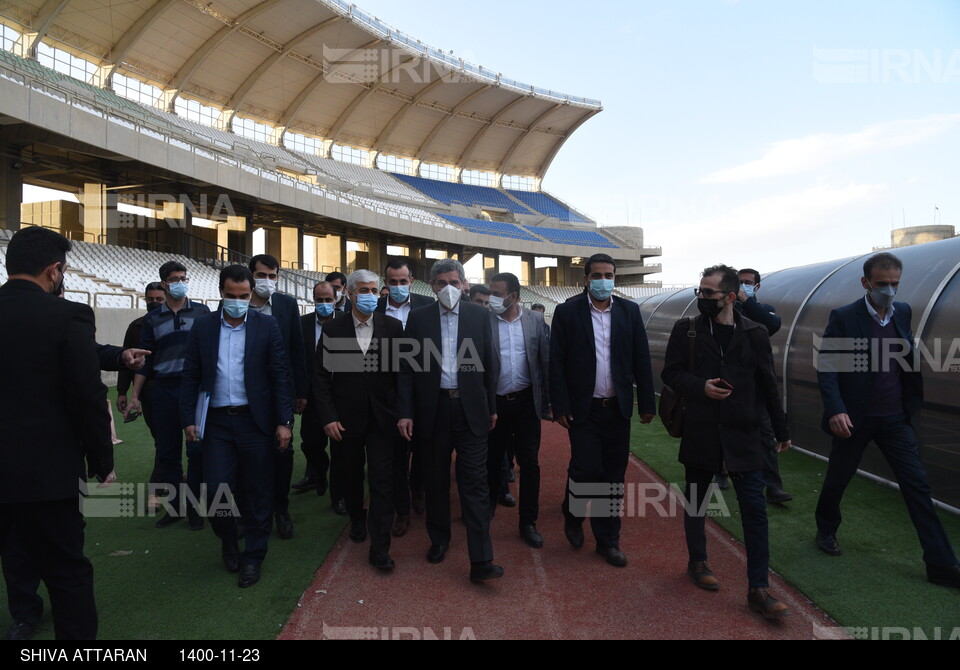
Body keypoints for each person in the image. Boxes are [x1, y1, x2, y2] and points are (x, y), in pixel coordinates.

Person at [814, 252, 960, 588]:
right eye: (883, 285)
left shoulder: (903, 312)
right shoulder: (845, 317)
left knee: (918, 487)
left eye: (895, 284)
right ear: (866, 283)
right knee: (838, 478)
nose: (890, 291)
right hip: (855, 418)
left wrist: (910, 400)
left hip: (895, 417)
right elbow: (828, 367)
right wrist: (836, 409)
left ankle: (941, 563)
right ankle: (826, 529)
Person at [0, 227, 114, 640]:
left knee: (16, 557)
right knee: (68, 573)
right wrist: (103, 459)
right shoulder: (69, 315)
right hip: (49, 475)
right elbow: (87, 396)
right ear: (54, 270)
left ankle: (24, 614)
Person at [662, 264, 792, 619]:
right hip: (701, 429)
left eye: (709, 293)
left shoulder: (755, 334)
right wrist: (699, 387)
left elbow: (768, 384)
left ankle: (758, 587)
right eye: (699, 292)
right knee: (697, 502)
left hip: (743, 434)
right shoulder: (685, 330)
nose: (701, 298)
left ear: (731, 297)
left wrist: (781, 431)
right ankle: (698, 561)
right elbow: (670, 372)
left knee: (754, 510)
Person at [180, 265, 293, 588]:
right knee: (217, 491)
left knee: (259, 494)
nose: (238, 302)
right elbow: (190, 375)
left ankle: (253, 557)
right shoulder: (202, 328)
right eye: (232, 296)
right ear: (221, 293)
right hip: (215, 423)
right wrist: (189, 419)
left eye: (244, 296)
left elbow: (279, 376)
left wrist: (284, 422)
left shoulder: (266, 325)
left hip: (255, 422)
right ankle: (228, 541)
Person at [398, 259, 503, 582]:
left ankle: (481, 559)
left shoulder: (479, 315)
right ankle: (439, 539)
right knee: (436, 481)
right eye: (441, 283)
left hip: (471, 410)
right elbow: (406, 368)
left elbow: (489, 362)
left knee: (474, 483)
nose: (448, 288)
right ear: (431, 286)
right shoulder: (417, 319)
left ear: (464, 285)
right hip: (433, 411)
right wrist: (405, 411)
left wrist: (492, 406)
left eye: (454, 282)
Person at [550, 253, 656, 567]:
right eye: (597, 275)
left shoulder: (629, 311)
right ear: (586, 279)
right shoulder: (567, 312)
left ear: (615, 278)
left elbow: (641, 358)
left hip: (617, 409)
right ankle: (572, 512)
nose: (603, 281)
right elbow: (556, 362)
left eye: (608, 275)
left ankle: (608, 541)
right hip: (584, 409)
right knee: (585, 469)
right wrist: (560, 405)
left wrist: (648, 403)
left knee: (612, 476)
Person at [316, 270, 404, 570]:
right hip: (345, 421)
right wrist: (328, 417)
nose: (368, 295)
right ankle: (356, 519)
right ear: (350, 294)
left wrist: (401, 412)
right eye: (362, 290)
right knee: (351, 476)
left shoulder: (392, 326)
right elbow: (321, 378)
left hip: (383, 420)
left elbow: (401, 374)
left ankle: (380, 547)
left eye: (373, 289)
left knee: (382, 480)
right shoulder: (334, 329)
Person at [128, 261, 210, 529]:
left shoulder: (202, 312)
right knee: (168, 452)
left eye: (183, 277)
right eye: (174, 279)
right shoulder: (152, 320)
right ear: (164, 283)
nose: (180, 282)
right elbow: (146, 361)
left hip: (194, 390)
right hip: (163, 389)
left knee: (196, 451)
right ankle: (175, 508)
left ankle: (196, 509)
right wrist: (134, 395)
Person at [486, 273, 551, 548]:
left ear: (514, 296)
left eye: (498, 293)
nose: (493, 298)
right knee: (490, 462)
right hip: (495, 404)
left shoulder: (535, 320)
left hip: (526, 402)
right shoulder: (483, 320)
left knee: (530, 464)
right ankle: (485, 516)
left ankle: (528, 522)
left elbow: (544, 361)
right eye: (491, 292)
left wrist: (548, 401)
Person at [248, 254, 307, 540]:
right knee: (248, 456)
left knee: (282, 452)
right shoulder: (234, 304)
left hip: (280, 391)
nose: (267, 281)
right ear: (250, 276)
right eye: (261, 275)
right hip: (244, 394)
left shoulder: (286, 304)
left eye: (272, 276)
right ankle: (250, 511)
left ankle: (280, 509)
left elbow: (297, 348)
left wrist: (300, 391)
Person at [375, 258, 435, 534]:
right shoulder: (373, 309)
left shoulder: (427, 306)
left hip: (423, 391)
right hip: (387, 396)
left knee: (424, 451)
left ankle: (419, 490)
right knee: (397, 457)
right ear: (385, 282)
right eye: (393, 281)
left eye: (403, 281)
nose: (398, 286)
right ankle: (402, 512)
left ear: (412, 281)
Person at [725, 268, 791, 504]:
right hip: (728, 380)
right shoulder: (725, 307)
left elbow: (770, 325)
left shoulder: (763, 310)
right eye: (740, 283)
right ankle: (721, 472)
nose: (743, 286)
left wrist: (746, 301)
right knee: (722, 428)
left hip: (756, 384)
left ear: (757, 286)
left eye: (748, 283)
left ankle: (773, 487)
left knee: (765, 434)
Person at [294, 281, 345, 515]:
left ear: (337, 298)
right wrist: (300, 393)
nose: (323, 304)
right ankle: (318, 471)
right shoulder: (302, 324)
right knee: (311, 443)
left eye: (328, 299)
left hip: (340, 396)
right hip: (312, 397)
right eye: (319, 299)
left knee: (341, 450)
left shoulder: (346, 323)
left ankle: (338, 497)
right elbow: (298, 361)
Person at [117, 282, 166, 435]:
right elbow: (126, 361)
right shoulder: (135, 327)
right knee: (157, 433)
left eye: (159, 299)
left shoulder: (175, 325)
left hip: (173, 385)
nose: (154, 303)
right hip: (148, 388)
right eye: (150, 299)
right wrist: (122, 391)